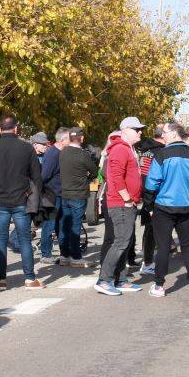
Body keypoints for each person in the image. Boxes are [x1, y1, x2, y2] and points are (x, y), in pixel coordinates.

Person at [143, 121, 189, 297]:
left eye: (165, 132)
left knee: (163, 248)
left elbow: (151, 183)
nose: (162, 135)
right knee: (188, 247)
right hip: (186, 207)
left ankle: (159, 286)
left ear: (175, 133)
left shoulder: (161, 155)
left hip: (164, 207)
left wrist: (149, 205)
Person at [0, 115, 43, 289]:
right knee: (24, 239)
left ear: (0, 129)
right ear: (16, 129)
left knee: (1, 240)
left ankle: (0, 279)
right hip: (21, 200)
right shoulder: (26, 148)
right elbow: (37, 177)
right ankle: (30, 278)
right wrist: (34, 198)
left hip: (0, 200)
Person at [96, 117, 145, 296]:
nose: (140, 132)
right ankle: (104, 279)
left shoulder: (128, 148)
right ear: (125, 130)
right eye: (136, 129)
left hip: (127, 203)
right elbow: (115, 176)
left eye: (140, 129)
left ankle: (121, 280)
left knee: (125, 242)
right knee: (121, 241)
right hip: (120, 203)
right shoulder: (119, 149)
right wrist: (127, 198)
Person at [58, 126, 98, 268]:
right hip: (78, 194)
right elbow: (94, 171)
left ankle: (64, 255)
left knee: (65, 225)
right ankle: (76, 257)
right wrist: (87, 177)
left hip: (64, 193)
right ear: (81, 138)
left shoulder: (62, 152)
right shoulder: (83, 155)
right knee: (75, 226)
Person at [134, 129, 165, 276]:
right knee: (153, 230)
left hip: (143, 191)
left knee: (148, 229)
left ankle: (144, 260)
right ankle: (147, 262)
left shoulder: (142, 149)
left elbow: (143, 173)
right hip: (155, 193)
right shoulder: (159, 151)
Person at [38, 128, 69, 264]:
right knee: (49, 225)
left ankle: (64, 253)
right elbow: (44, 175)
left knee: (61, 225)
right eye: (69, 138)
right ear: (62, 140)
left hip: (60, 194)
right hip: (51, 195)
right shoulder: (52, 154)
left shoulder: (61, 152)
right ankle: (46, 254)